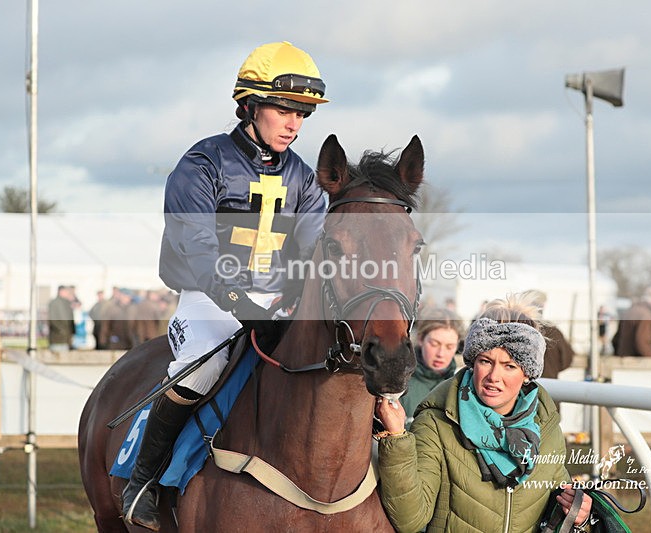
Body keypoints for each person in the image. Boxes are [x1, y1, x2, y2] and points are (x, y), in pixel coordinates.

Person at [121, 41, 329, 530]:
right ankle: (143, 482)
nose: (295, 123)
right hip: (208, 300)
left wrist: (293, 302)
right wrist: (240, 303)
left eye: (302, 113)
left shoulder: (304, 179)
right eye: (284, 109)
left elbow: (312, 252)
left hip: (274, 301)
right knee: (204, 367)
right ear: (250, 105)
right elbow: (197, 249)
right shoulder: (202, 163)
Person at [375, 293, 591, 532]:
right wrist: (397, 440)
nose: (494, 377)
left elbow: (557, 513)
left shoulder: (546, 428)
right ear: (472, 362)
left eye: (509, 366)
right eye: (486, 361)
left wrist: (578, 514)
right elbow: (409, 520)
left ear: (527, 373)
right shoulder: (436, 423)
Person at [400, 307, 465, 427]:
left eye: (449, 346)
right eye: (434, 344)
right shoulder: (399, 383)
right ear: (420, 339)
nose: (441, 353)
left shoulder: (462, 387)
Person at [521, 290, 575, 379]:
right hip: (549, 382)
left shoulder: (517, 329)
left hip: (525, 383)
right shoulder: (553, 331)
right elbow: (567, 359)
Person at [613, 287, 651, 357]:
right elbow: (642, 342)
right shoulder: (646, 315)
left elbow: (616, 339)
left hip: (623, 357)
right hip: (636, 359)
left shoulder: (630, 310)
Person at [47, 285, 76, 352]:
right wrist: (62, 330)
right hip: (58, 339)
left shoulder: (67, 303)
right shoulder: (55, 303)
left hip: (66, 339)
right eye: (67, 292)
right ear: (61, 291)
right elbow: (53, 320)